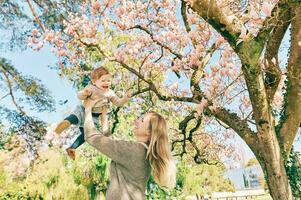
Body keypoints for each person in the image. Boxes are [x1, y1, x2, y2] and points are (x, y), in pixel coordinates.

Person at [83, 98, 176, 199]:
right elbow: (109, 145)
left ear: (149, 132)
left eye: (142, 120)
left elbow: (91, 137)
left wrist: (87, 109)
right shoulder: (143, 152)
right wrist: (104, 117)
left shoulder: (133, 150)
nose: (136, 121)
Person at [55, 66, 131, 160]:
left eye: (108, 80)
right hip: (84, 110)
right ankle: (66, 123)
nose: (106, 83)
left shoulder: (110, 93)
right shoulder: (91, 88)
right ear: (94, 82)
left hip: (94, 118)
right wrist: (84, 93)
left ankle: (72, 148)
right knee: (75, 116)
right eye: (103, 80)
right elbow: (79, 96)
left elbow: (118, 103)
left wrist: (126, 98)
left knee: (87, 134)